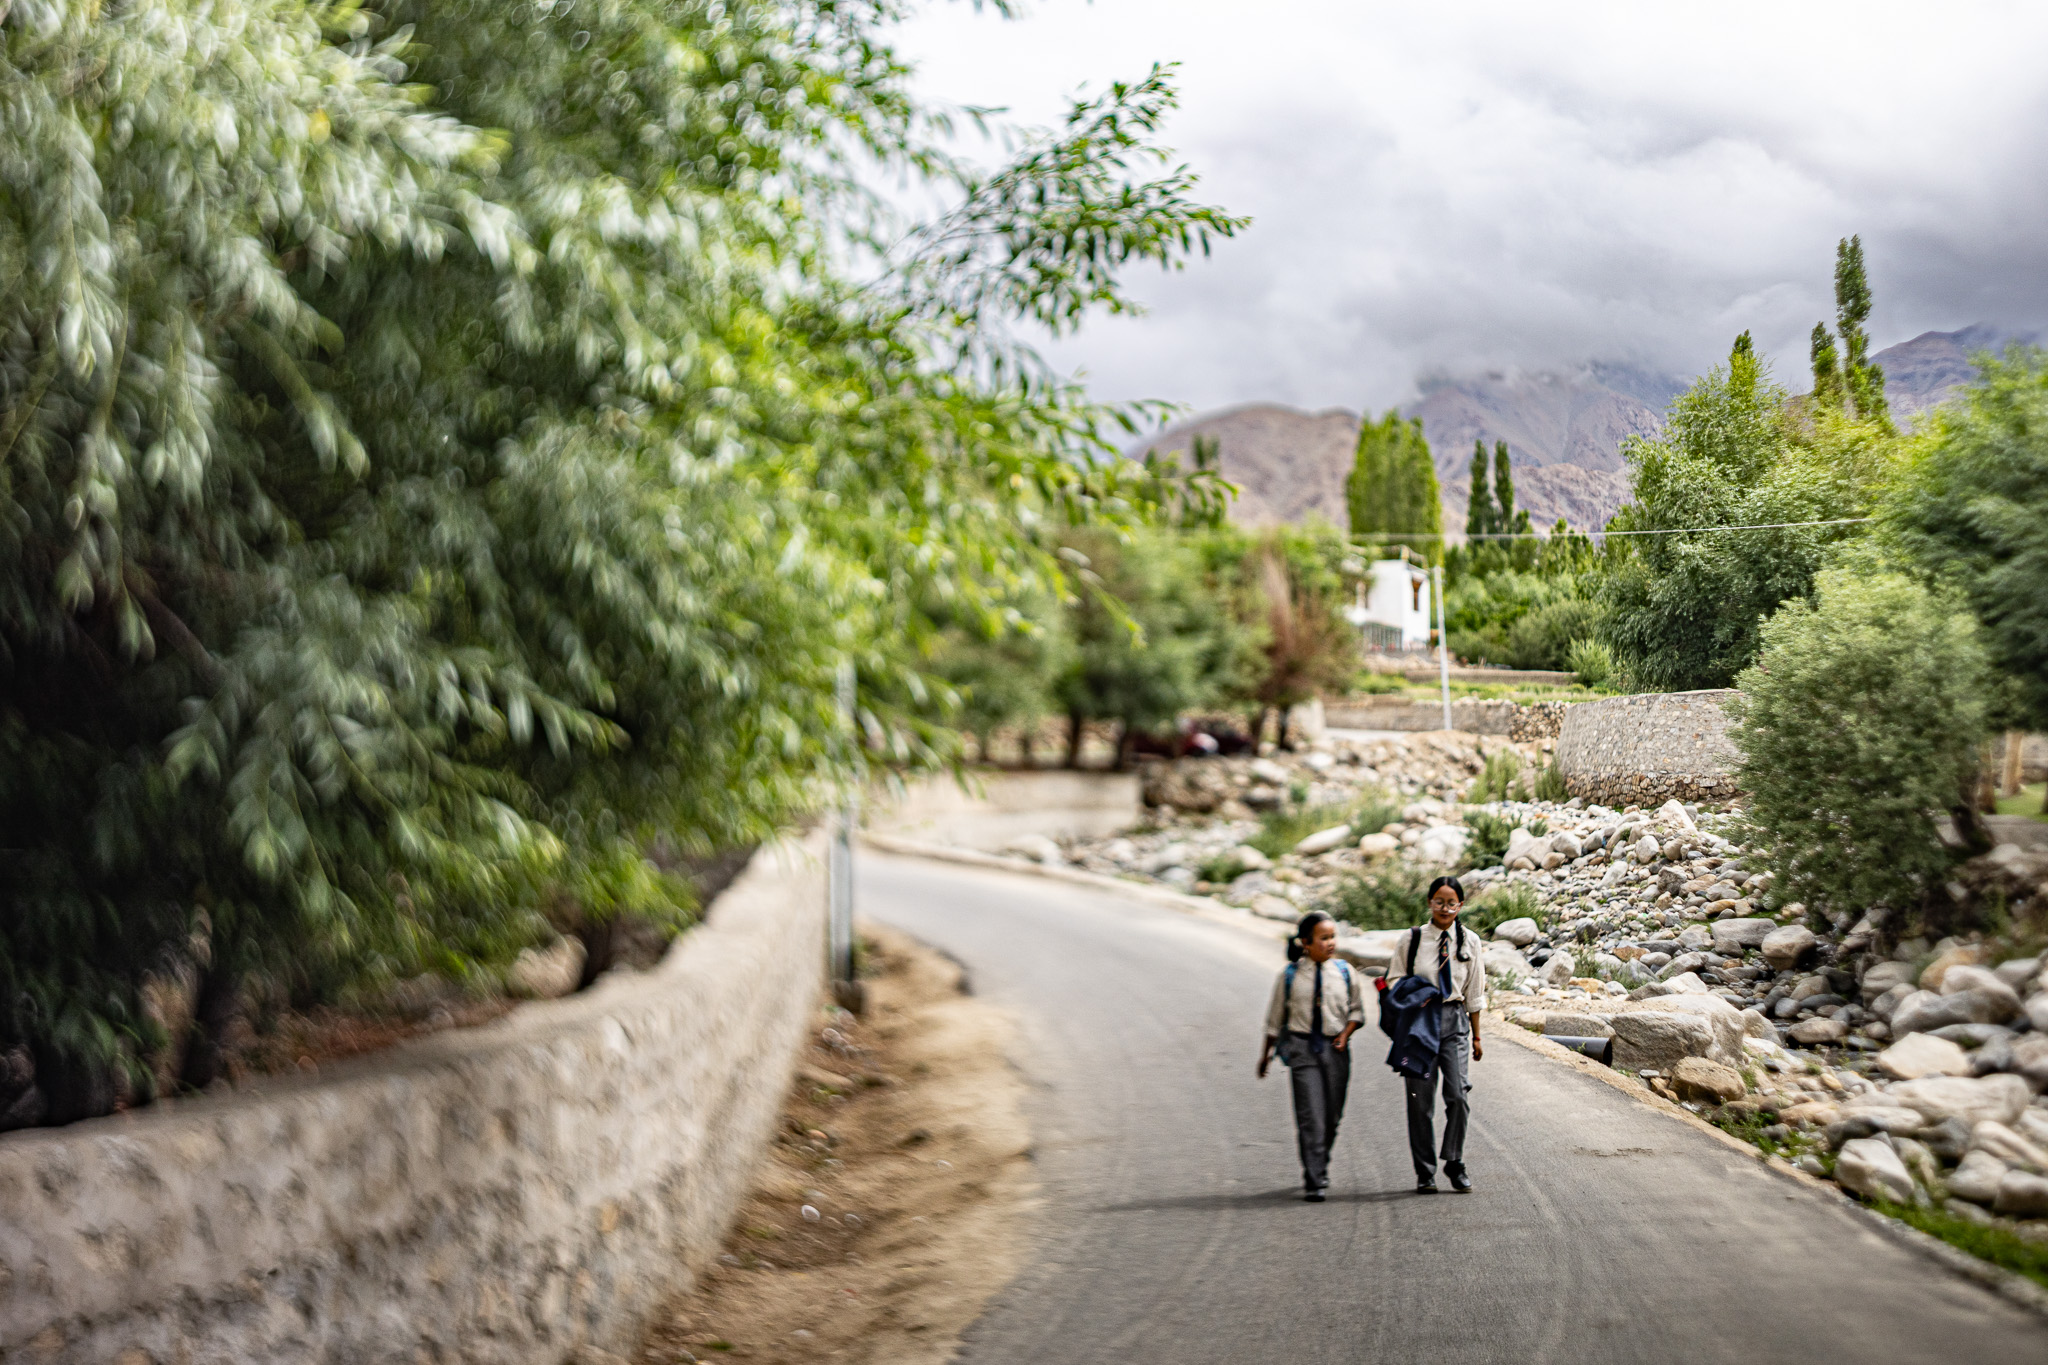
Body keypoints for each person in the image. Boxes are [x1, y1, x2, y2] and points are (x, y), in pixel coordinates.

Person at [1386, 876, 1486, 1193]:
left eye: (1451, 902)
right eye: (1439, 901)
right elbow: (1394, 979)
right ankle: (1425, 1171)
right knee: (1420, 1101)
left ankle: (1454, 1161)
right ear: (1430, 902)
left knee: (1458, 1095)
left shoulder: (1470, 941)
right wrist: (1417, 995)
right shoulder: (1412, 940)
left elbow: (1475, 991)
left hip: (1455, 1021)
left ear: (1460, 905)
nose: (1445, 908)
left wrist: (1477, 1037)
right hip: (1420, 1023)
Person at [1257, 911, 1364, 1201]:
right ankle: (1314, 1177)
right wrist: (1265, 1055)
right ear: (1306, 942)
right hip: (1303, 1049)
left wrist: (1345, 1034)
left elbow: (1356, 1010)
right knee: (1311, 1117)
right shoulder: (1290, 976)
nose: (1330, 943)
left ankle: (1320, 1161)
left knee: (1331, 1116)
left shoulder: (1344, 972)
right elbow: (1275, 1018)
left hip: (1336, 1050)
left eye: (1332, 937)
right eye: (1323, 938)